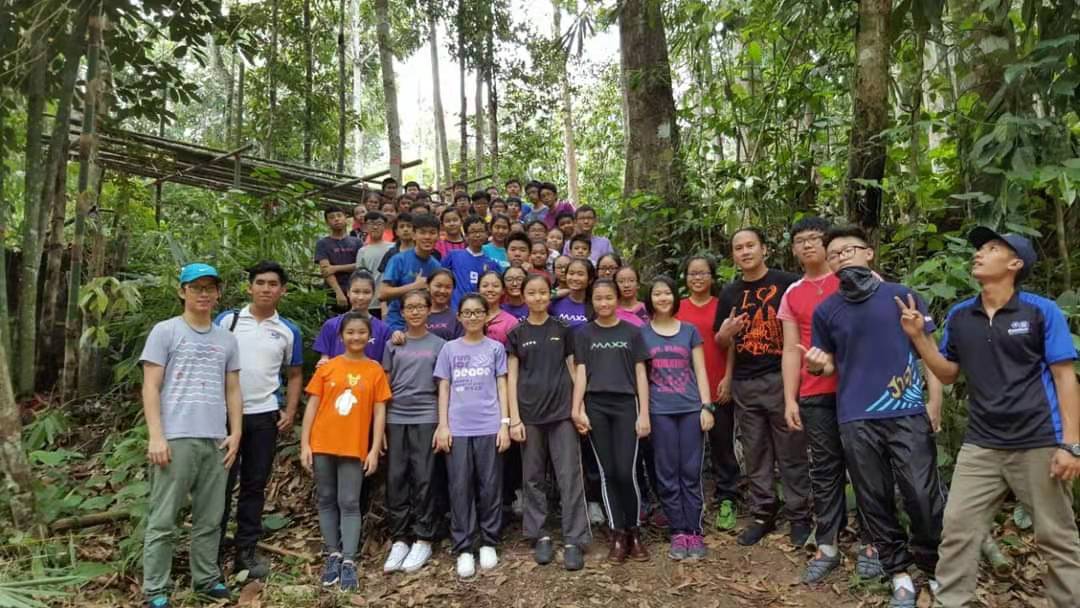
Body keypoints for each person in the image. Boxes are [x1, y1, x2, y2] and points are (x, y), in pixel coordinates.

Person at [900, 227, 1080, 608]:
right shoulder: (961, 315)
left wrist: (1071, 444)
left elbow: (1065, 377)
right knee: (958, 529)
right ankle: (952, 601)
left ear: (1015, 264)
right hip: (981, 443)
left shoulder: (1041, 311)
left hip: (1038, 441)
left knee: (1057, 536)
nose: (979, 253)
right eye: (980, 248)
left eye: (992, 248)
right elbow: (948, 373)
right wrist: (919, 338)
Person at [804, 225, 945, 608]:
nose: (842, 257)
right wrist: (816, 366)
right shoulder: (826, 311)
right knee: (873, 497)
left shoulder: (902, 296)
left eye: (849, 250)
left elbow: (928, 352)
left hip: (907, 409)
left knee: (922, 494)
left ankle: (934, 566)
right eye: (834, 255)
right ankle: (898, 572)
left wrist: (934, 402)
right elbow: (828, 365)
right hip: (855, 416)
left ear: (869, 253)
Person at [778, 217, 876, 582]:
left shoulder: (859, 277)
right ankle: (828, 544)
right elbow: (791, 349)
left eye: (814, 238)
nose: (807, 245)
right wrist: (790, 399)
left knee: (867, 466)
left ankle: (873, 543)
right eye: (800, 240)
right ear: (793, 250)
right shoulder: (792, 293)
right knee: (824, 469)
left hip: (861, 391)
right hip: (815, 393)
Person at [141, 264, 242, 608]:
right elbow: (150, 386)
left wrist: (236, 432)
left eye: (209, 288)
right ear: (182, 291)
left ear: (218, 293)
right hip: (176, 436)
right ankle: (156, 589)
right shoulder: (166, 331)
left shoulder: (226, 338)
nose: (203, 293)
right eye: (196, 287)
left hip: (215, 438)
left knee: (210, 517)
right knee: (163, 518)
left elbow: (233, 389)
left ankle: (206, 579)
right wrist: (157, 436)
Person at [713, 227, 811, 547]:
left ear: (764, 248)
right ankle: (763, 513)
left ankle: (799, 515)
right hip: (745, 383)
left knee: (791, 450)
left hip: (781, 379)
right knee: (755, 453)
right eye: (738, 247)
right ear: (733, 255)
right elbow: (720, 341)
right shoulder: (729, 293)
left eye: (750, 245)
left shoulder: (787, 284)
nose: (745, 252)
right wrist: (727, 333)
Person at [215, 262, 303, 580]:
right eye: (260, 283)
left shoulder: (288, 330)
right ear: (249, 287)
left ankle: (246, 553)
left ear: (283, 290)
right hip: (224, 417)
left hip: (264, 416)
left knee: (254, 485)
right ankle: (211, 555)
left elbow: (295, 374)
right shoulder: (227, 321)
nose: (266, 289)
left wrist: (290, 411)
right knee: (219, 485)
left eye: (273, 284)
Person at [301, 312, 390, 591]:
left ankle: (349, 559)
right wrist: (305, 444)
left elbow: (379, 412)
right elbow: (312, 407)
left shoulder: (374, 370)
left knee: (350, 502)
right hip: (322, 443)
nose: (356, 337)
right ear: (341, 336)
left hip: (353, 445)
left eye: (361, 332)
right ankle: (333, 554)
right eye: (350, 332)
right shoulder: (327, 368)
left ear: (369, 336)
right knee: (326, 499)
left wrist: (374, 449)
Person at [507, 274, 590, 570]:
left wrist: (578, 408)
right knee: (532, 476)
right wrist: (514, 418)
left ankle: (574, 538)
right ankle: (539, 534)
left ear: (549, 295)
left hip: (562, 412)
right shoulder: (517, 333)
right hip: (529, 414)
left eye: (543, 292)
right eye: (532, 293)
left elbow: (574, 368)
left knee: (569, 475)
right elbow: (512, 377)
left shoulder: (563, 329)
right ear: (523, 297)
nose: (538, 298)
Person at [571, 279, 651, 563]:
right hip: (596, 405)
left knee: (626, 471)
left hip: (626, 404)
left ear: (617, 299)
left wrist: (644, 413)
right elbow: (581, 373)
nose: (604, 303)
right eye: (598, 298)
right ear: (592, 302)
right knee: (608, 472)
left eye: (608, 297)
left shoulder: (632, 332)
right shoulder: (584, 333)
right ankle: (618, 533)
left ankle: (635, 532)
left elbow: (641, 373)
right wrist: (576, 408)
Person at [433, 294, 512, 579]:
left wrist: (505, 424)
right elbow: (444, 388)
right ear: (459, 317)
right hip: (457, 428)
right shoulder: (449, 349)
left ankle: (489, 541)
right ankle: (464, 546)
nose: (472, 317)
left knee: (490, 486)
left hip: (489, 425)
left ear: (486, 315)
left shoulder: (495, 348)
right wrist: (443, 426)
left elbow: (502, 386)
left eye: (478, 312)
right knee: (459, 487)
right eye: (467, 313)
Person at [641, 276, 714, 561]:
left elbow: (700, 369)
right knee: (667, 473)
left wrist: (707, 406)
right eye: (657, 294)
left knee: (691, 471)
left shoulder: (689, 331)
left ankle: (694, 530)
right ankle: (678, 531)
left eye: (667, 293)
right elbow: (641, 378)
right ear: (650, 299)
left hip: (690, 409)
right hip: (660, 411)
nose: (662, 298)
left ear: (674, 297)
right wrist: (644, 413)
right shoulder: (642, 334)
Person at [381, 290, 447, 575]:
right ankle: (400, 538)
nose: (416, 311)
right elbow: (384, 387)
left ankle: (424, 537)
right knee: (396, 477)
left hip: (427, 416)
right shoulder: (393, 343)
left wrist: (443, 423)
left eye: (421, 307)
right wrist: (381, 427)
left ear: (429, 310)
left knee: (424, 476)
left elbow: (444, 386)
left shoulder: (441, 345)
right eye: (410, 307)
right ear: (403, 312)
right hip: (396, 417)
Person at [675, 255, 737, 532]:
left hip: (718, 385)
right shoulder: (677, 308)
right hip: (686, 391)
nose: (697, 278)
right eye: (692, 273)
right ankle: (689, 500)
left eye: (703, 273)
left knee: (722, 446)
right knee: (688, 450)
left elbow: (731, 344)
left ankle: (727, 498)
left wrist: (729, 378)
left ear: (712, 277)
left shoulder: (721, 305)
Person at [314, 271, 393, 365]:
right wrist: (323, 363)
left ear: (373, 294)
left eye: (366, 292)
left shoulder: (384, 330)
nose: (361, 297)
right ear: (348, 292)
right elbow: (325, 358)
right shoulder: (331, 325)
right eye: (356, 291)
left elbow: (386, 365)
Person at [380, 214, 443, 332]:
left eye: (432, 233)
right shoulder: (399, 260)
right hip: (397, 326)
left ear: (438, 236)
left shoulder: (437, 266)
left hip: (424, 326)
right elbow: (383, 293)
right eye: (422, 232)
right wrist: (414, 286)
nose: (427, 237)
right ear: (414, 235)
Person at [441, 216, 500, 309]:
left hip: (479, 311)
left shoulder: (491, 264)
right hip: (455, 310)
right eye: (473, 232)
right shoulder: (453, 256)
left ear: (486, 234)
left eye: (481, 231)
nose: (477, 235)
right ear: (466, 236)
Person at [315, 207, 362, 311]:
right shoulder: (322, 243)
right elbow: (326, 270)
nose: (336, 219)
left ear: (345, 218)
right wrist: (338, 293)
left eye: (339, 216)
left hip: (356, 291)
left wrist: (335, 268)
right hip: (332, 293)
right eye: (332, 217)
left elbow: (360, 265)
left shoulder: (357, 242)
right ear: (327, 222)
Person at [355, 211, 392, 319]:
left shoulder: (393, 248)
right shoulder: (362, 251)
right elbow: (360, 278)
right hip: (370, 302)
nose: (375, 227)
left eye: (379, 224)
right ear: (365, 226)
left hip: (391, 301)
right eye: (371, 223)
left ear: (384, 226)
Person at [478, 270, 519, 348]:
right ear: (478, 290)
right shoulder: (471, 317)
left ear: (503, 290)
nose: (490, 289)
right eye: (485, 286)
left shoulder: (511, 322)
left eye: (495, 286)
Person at [550, 257, 592, 331]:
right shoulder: (555, 302)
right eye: (571, 273)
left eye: (580, 274)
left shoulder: (595, 305)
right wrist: (554, 295)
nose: (575, 278)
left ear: (590, 279)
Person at [425, 269, 463, 341]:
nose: (442, 291)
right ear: (427, 286)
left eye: (448, 287)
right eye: (438, 286)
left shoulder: (457, 318)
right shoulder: (417, 314)